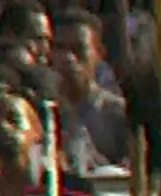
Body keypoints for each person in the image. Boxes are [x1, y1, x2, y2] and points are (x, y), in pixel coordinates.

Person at [50, 8, 127, 166]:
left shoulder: (117, 114)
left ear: (99, 53)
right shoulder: (43, 109)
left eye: (78, 50)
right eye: (60, 48)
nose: (68, 58)